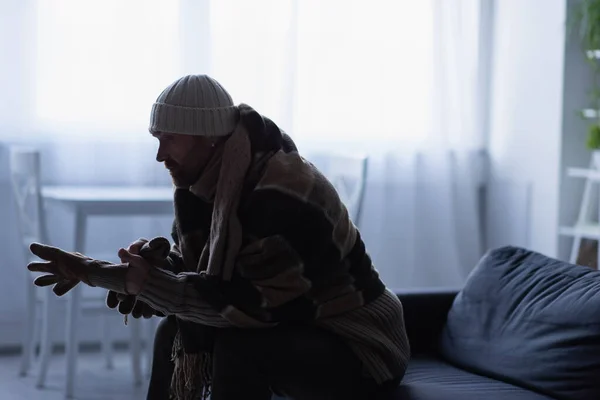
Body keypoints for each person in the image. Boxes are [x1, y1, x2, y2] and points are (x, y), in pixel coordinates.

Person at [27, 74, 410, 400]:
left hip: (358, 344)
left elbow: (242, 306)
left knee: (239, 349)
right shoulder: (208, 183)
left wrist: (135, 281)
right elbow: (202, 270)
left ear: (207, 136)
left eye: (169, 138)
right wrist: (138, 269)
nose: (160, 155)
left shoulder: (281, 192)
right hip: (298, 322)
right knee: (171, 333)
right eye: (157, 138)